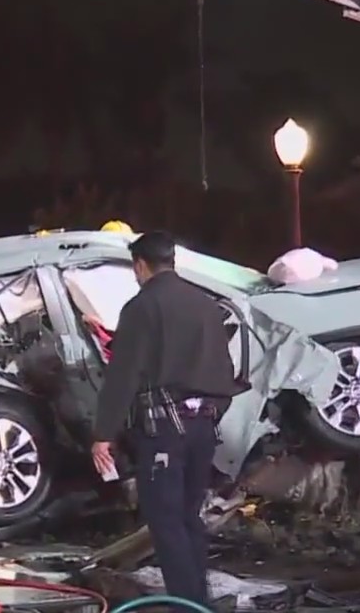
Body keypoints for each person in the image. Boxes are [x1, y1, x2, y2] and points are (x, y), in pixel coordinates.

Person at [90, 231, 246, 610]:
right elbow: (226, 373)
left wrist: (103, 434)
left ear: (140, 265)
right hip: (204, 428)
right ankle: (198, 601)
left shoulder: (142, 307)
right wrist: (209, 415)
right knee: (189, 516)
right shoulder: (206, 305)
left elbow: (123, 375)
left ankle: (186, 604)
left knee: (166, 520)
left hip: (164, 432)